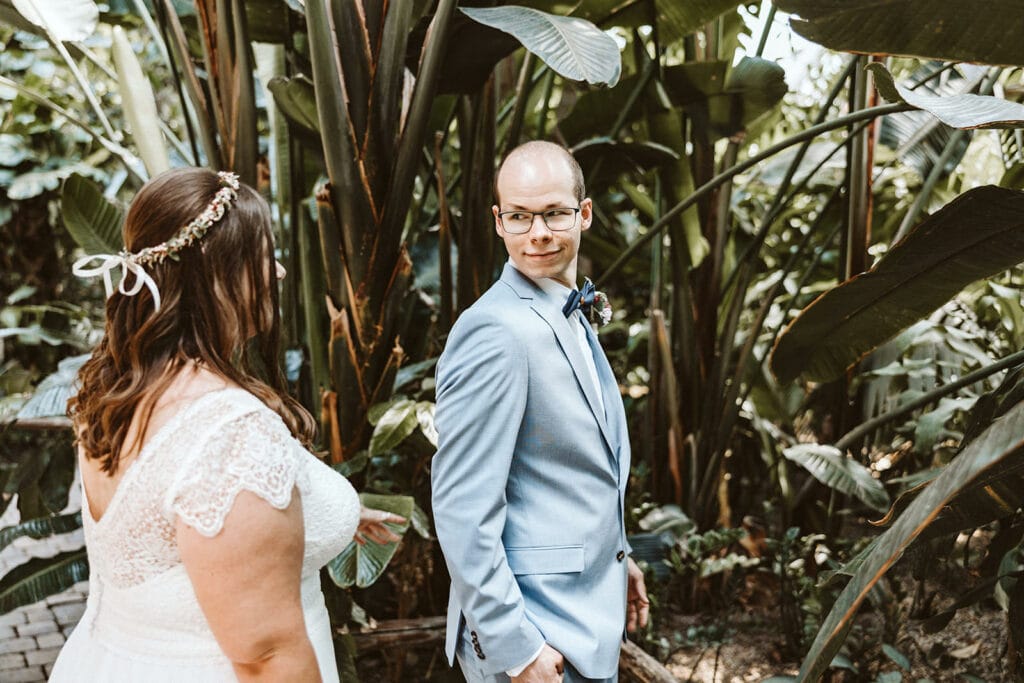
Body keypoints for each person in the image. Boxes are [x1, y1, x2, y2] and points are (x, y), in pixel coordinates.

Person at [50, 167, 403, 682]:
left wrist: (330, 510)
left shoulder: (117, 390)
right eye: (263, 257)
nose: (279, 273)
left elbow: (172, 515)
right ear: (219, 274)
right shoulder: (231, 434)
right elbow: (268, 658)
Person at [431, 141, 649, 683]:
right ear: (498, 221)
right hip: (534, 635)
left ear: (585, 213)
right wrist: (518, 648)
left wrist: (617, 558)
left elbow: (560, 474)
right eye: (520, 217)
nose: (539, 233)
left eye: (554, 212)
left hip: (580, 614)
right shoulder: (496, 331)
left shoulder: (566, 309)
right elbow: (463, 506)